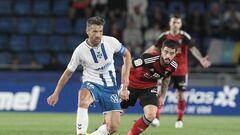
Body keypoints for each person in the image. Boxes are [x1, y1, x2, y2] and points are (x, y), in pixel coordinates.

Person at [47, 16, 132, 135]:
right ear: (87, 31)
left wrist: (125, 84)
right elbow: (68, 73)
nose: (98, 35)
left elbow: (127, 54)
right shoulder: (80, 51)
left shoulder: (111, 42)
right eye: (94, 31)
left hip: (110, 86)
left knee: (112, 127)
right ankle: (80, 133)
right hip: (91, 82)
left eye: (100, 31)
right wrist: (56, 93)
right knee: (83, 100)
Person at [145, 14, 211, 128]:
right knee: (160, 93)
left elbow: (193, 48)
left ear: (180, 24)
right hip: (166, 69)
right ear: (170, 23)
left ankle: (179, 120)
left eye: (178, 22)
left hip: (181, 70)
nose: (175, 24)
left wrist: (201, 59)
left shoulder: (184, 36)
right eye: (174, 22)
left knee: (180, 95)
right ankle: (156, 118)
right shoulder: (164, 36)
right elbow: (154, 49)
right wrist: (142, 57)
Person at [121, 40, 179, 135]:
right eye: (166, 52)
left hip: (149, 87)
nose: (168, 56)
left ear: (175, 54)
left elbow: (166, 79)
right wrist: (124, 86)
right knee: (117, 113)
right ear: (161, 50)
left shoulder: (173, 66)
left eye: (171, 53)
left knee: (151, 115)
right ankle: (103, 131)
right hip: (132, 84)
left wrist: (162, 96)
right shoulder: (149, 58)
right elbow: (126, 65)